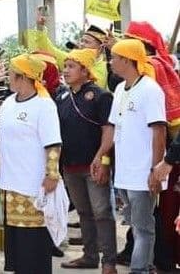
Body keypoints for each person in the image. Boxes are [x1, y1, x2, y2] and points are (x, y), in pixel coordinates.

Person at [0, 53, 62, 274]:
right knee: (15, 242)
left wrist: (52, 174)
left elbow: (53, 143)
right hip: (8, 184)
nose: (8, 77)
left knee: (32, 242)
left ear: (23, 77)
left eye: (11, 73)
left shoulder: (44, 106)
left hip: (32, 186)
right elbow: (2, 138)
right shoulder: (7, 103)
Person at [55, 49, 117, 274]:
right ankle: (90, 256)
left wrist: (103, 160)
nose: (66, 70)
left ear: (85, 70)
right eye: (65, 66)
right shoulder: (62, 96)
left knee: (102, 212)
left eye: (72, 66)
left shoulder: (101, 96)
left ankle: (109, 262)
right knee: (83, 211)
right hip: (70, 166)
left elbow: (108, 131)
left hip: (94, 165)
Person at [108, 39, 167, 274]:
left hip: (144, 174)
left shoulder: (150, 90)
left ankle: (140, 269)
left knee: (143, 229)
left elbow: (159, 131)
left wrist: (156, 170)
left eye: (114, 57)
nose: (110, 62)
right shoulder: (120, 89)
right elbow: (113, 128)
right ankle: (147, 265)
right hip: (123, 174)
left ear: (127, 60)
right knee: (136, 226)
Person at [27, 12, 111, 89]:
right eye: (82, 40)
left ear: (100, 48)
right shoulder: (72, 59)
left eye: (87, 42)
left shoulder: (107, 67)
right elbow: (48, 48)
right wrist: (40, 27)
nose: (82, 44)